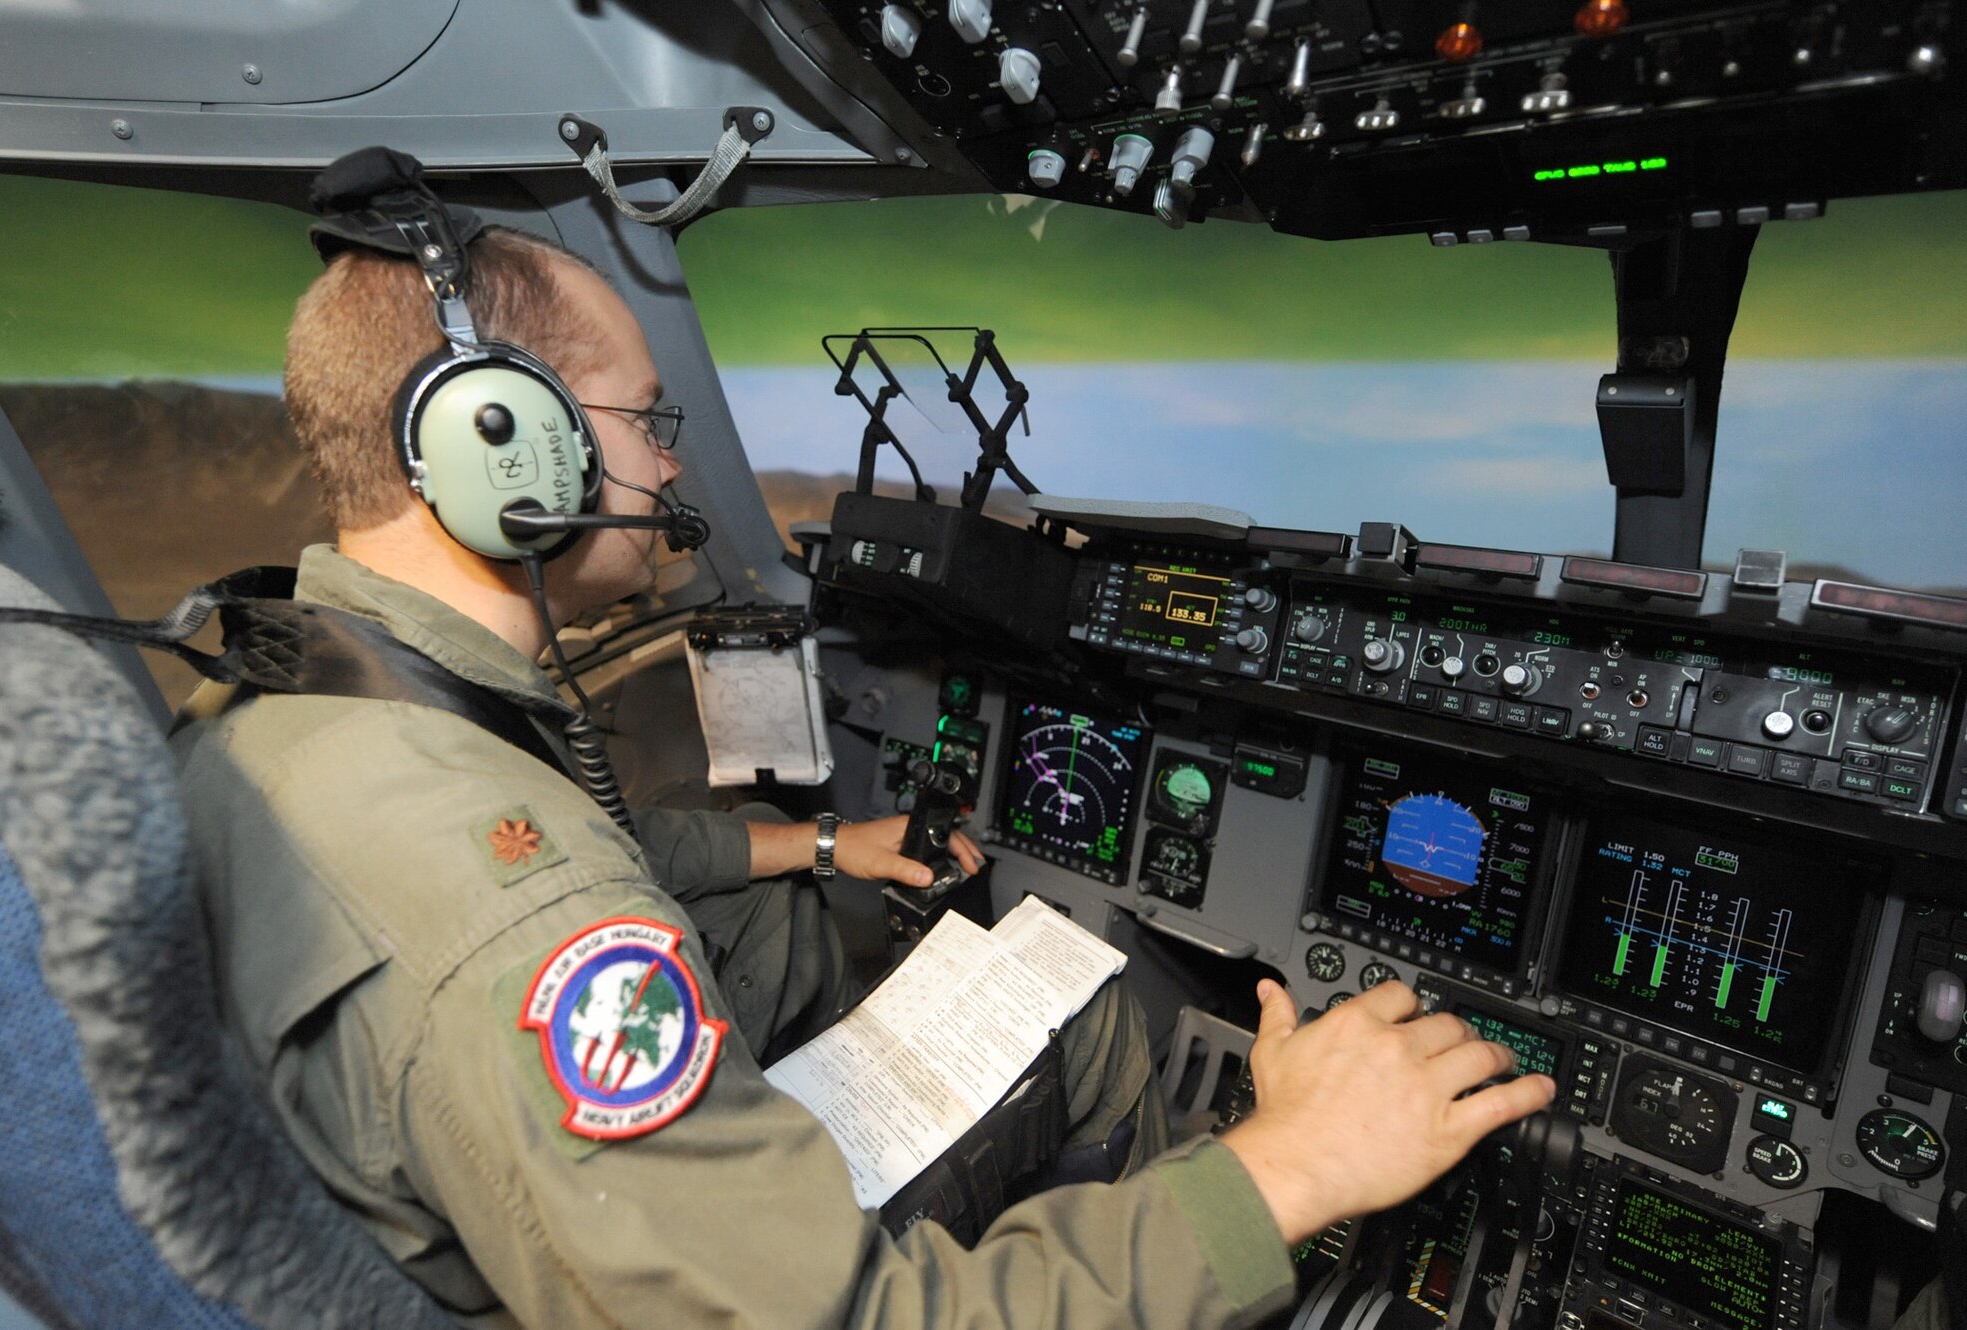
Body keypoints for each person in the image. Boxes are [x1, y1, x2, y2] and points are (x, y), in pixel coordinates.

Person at [172, 199, 1557, 1330]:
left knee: (821, 926)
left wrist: (831, 844)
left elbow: (604, 846)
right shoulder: (525, 925)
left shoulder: (295, 698)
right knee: (1093, 1023)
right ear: (502, 444)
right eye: (648, 422)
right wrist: (1293, 1164)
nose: (668, 470)